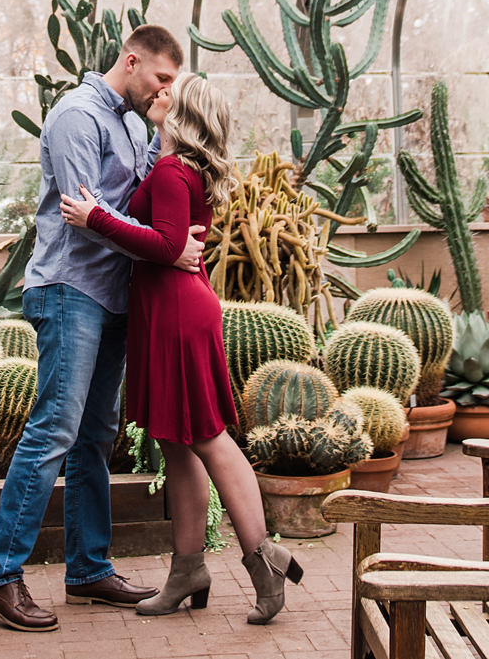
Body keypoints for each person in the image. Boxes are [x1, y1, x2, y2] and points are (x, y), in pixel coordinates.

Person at [0, 25, 201, 633]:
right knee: (54, 429)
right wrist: (166, 252)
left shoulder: (133, 122)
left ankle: (89, 569)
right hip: (71, 290)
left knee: (95, 437)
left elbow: (147, 199)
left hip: (116, 294)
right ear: (132, 61)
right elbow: (86, 214)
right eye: (162, 79)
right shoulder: (77, 115)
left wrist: (164, 231)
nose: (168, 93)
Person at [60, 72, 305, 625]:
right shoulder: (176, 165)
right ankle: (187, 569)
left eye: (172, 91)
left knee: (209, 437)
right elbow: (174, 240)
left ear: (184, 113)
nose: (159, 93)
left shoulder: (173, 170)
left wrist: (94, 216)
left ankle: (262, 558)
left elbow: (169, 245)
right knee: (176, 443)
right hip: (170, 309)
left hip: (175, 312)